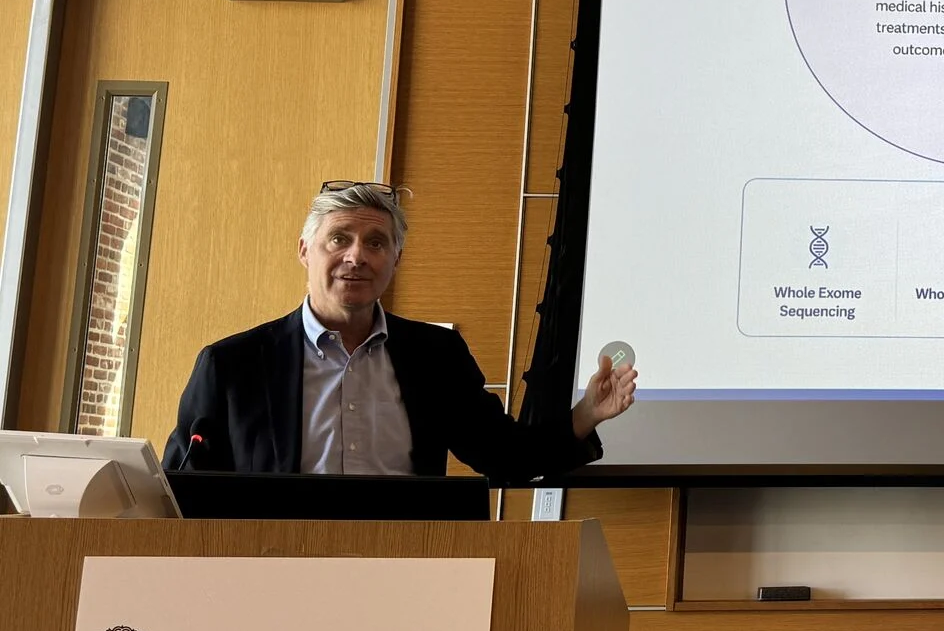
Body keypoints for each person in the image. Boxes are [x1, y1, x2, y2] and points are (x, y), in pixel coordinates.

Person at [165, 181, 635, 480]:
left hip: (404, 574)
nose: (356, 256)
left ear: (396, 260)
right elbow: (183, 489)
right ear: (305, 250)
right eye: (339, 239)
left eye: (375, 243)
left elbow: (505, 456)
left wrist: (587, 412)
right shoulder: (232, 364)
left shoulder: (436, 356)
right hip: (270, 575)